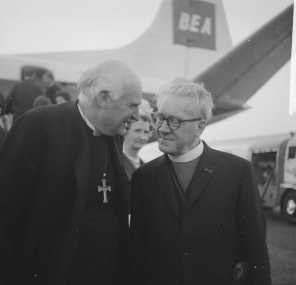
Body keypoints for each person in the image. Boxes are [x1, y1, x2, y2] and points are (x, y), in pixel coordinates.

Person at [0, 59, 142, 285]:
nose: (136, 116)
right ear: (104, 98)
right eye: (132, 105)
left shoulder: (113, 131)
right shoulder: (39, 125)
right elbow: (5, 211)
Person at [130, 78, 271, 285]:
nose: (163, 128)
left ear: (200, 127)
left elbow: (256, 250)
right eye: (159, 118)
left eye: (175, 121)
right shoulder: (143, 177)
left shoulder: (238, 171)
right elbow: (138, 254)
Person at [123, 99, 153, 213]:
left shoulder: (145, 166)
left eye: (146, 132)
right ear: (126, 131)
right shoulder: (116, 163)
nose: (142, 137)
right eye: (137, 130)